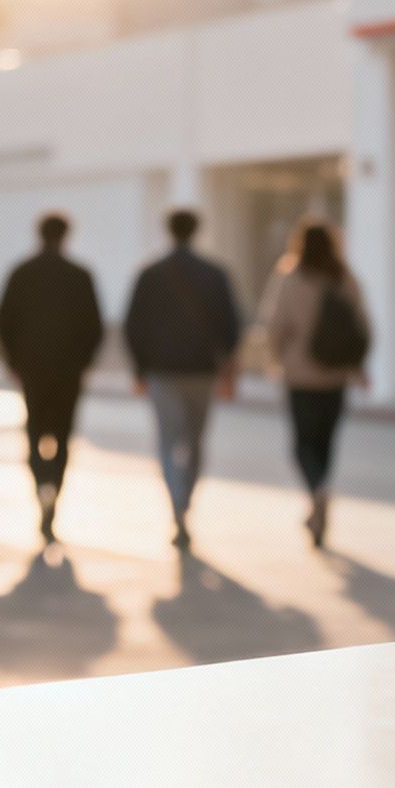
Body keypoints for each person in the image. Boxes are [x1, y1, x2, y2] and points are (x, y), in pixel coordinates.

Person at [124, 208, 241, 549]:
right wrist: (227, 366)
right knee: (195, 441)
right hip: (202, 371)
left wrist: (140, 369)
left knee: (168, 440)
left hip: (163, 372)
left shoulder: (150, 274)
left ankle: (176, 501)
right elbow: (232, 325)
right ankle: (185, 500)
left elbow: (134, 325)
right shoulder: (215, 273)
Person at [0, 213, 104, 543]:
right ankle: (54, 488)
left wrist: (14, 360)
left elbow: (3, 319)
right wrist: (84, 361)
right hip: (68, 370)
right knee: (63, 435)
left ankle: (42, 483)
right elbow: (94, 325)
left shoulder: (22, 273)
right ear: (66, 235)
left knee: (34, 430)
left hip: (33, 368)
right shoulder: (80, 276)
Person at [260, 218, 370, 548]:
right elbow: (362, 325)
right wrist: (357, 366)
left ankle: (316, 489)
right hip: (336, 375)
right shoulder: (343, 277)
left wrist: (275, 360)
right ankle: (321, 489)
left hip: (300, 375)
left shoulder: (291, 277)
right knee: (325, 441)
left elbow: (274, 325)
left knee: (302, 443)